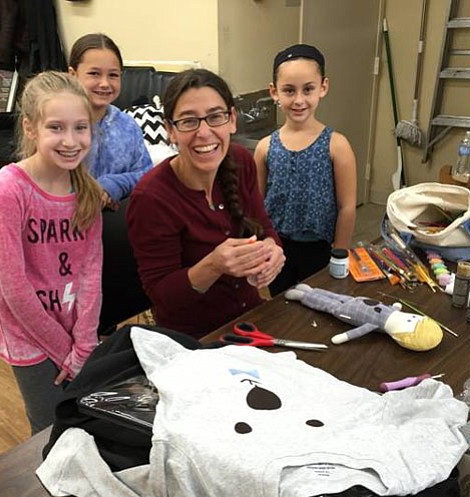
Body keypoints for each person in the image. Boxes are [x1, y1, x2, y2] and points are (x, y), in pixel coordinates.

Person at [0, 71, 104, 435]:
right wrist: (64, 348)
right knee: (49, 430)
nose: (70, 140)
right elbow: (14, 287)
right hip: (29, 338)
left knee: (84, 420)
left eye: (80, 127)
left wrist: (84, 341)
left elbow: (90, 271)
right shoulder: (6, 192)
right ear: (30, 128)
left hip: (74, 331)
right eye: (56, 128)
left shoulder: (87, 191)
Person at [127, 69, 285, 338]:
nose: (204, 132)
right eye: (188, 121)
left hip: (249, 320)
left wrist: (272, 251)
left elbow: (265, 229)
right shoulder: (152, 198)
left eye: (215, 117)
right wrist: (213, 265)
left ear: (232, 120)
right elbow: (162, 296)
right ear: (170, 130)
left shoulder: (241, 162)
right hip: (196, 341)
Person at [254, 44, 357, 296]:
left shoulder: (337, 145)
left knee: (319, 307)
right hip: (277, 249)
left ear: (323, 87)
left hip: (320, 249)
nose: (299, 100)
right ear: (274, 92)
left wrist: (340, 255)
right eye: (289, 90)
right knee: (282, 307)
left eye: (308, 89)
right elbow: (255, 206)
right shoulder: (265, 147)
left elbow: (347, 207)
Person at [68, 33, 153, 210]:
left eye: (113, 75)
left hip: (118, 224)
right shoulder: (59, 126)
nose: (105, 83)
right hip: (65, 224)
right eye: (94, 74)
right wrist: (91, 191)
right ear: (73, 75)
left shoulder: (128, 126)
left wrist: (114, 184)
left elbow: (147, 175)